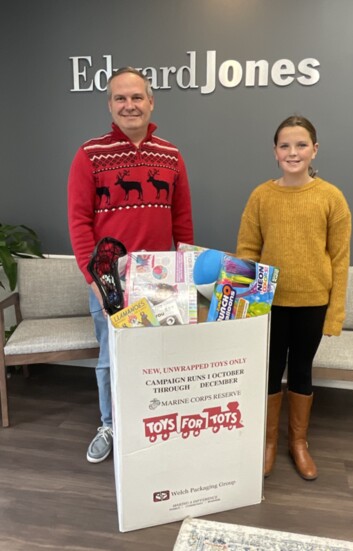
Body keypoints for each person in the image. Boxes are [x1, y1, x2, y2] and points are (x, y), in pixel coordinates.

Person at [68, 67, 194, 463]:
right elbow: (79, 221)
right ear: (110, 105)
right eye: (120, 98)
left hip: (160, 280)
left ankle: (152, 422)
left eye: (137, 97)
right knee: (111, 359)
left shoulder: (171, 155)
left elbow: (182, 221)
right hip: (111, 282)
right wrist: (96, 282)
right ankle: (110, 424)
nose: (129, 105)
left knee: (159, 357)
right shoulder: (89, 154)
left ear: (151, 101)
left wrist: (183, 274)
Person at [236, 115, 351, 480]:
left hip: (313, 303)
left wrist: (335, 314)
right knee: (268, 372)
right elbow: (247, 250)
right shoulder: (261, 195)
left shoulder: (331, 197)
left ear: (314, 149)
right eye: (285, 145)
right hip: (267, 305)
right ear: (274, 152)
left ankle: (297, 443)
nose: (293, 152)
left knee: (301, 371)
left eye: (301, 145)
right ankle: (268, 442)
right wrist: (242, 305)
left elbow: (340, 259)